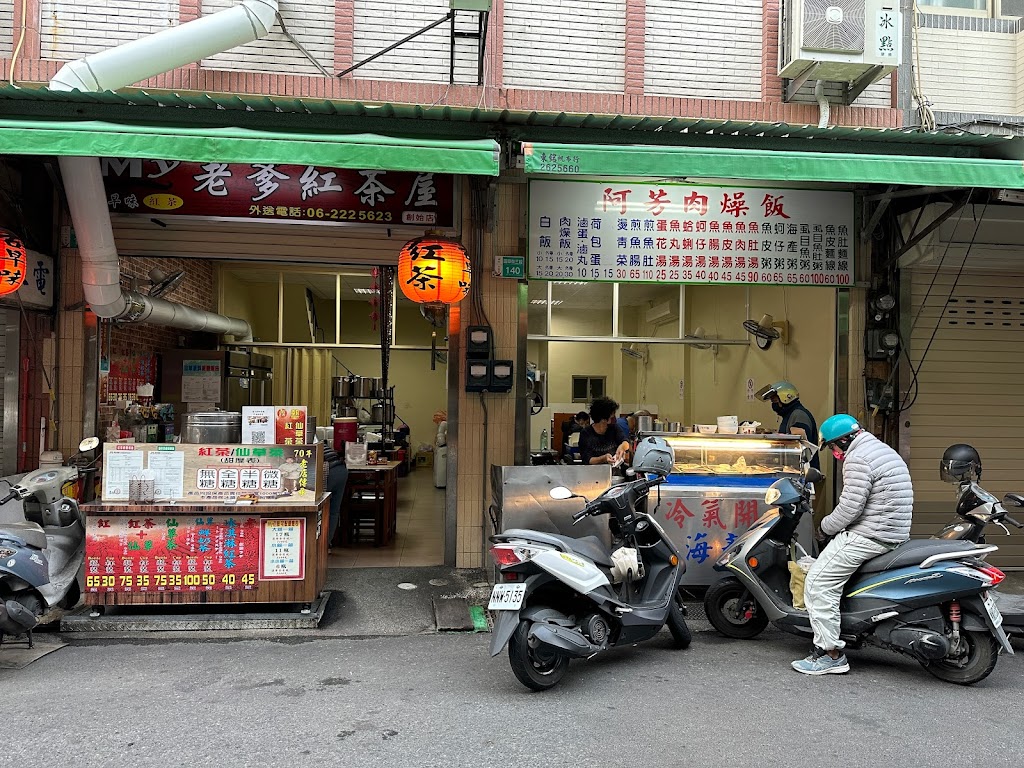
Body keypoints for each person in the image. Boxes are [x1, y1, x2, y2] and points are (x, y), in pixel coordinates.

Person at [792, 414, 913, 676]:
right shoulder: (880, 449)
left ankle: (829, 654)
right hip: (892, 531)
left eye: (833, 448)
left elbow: (850, 508)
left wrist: (824, 527)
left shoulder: (858, 458)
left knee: (817, 582)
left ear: (843, 441)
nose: (834, 454)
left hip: (871, 533)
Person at [756, 381, 825, 522]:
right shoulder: (792, 414)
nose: (773, 404)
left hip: (801, 476)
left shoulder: (798, 415)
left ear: (785, 397)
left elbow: (798, 446)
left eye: (775, 400)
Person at [578, 396, 631, 467]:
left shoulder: (614, 428)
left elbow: (626, 442)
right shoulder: (586, 433)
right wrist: (603, 458)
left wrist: (622, 447)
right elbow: (587, 459)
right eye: (612, 415)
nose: (614, 418)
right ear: (603, 418)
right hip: (593, 473)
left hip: (614, 472)